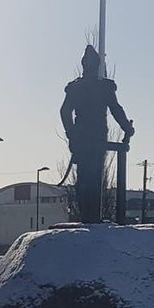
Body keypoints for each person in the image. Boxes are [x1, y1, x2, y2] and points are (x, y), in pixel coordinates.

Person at [59, 45, 134, 223]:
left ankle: (90, 216)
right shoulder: (102, 87)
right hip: (95, 137)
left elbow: (65, 112)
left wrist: (72, 134)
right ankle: (90, 216)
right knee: (92, 176)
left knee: (86, 177)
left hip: (86, 138)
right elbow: (116, 109)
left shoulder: (77, 87)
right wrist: (126, 128)